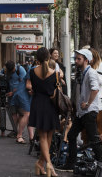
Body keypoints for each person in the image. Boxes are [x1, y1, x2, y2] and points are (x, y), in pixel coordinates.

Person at [58, 49, 102, 171]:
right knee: (72, 135)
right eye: (76, 58)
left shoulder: (91, 73)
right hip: (81, 112)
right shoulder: (83, 73)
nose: (76, 61)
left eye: (79, 59)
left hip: (88, 112)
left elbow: (95, 89)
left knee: (93, 139)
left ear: (86, 60)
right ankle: (70, 164)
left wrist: (88, 104)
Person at [27, 47, 60, 177]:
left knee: (43, 137)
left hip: (37, 104)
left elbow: (32, 88)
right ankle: (49, 164)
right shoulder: (55, 73)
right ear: (48, 57)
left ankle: (41, 163)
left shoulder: (32, 71)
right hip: (50, 105)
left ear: (37, 59)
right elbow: (58, 91)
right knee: (49, 136)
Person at [4, 60, 30, 144]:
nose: (11, 72)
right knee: (13, 115)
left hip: (20, 96)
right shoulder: (5, 70)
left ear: (14, 67)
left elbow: (23, 84)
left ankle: (19, 133)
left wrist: (13, 92)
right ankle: (15, 131)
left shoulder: (20, 70)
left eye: (12, 71)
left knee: (21, 114)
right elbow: (1, 76)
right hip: (10, 97)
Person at [90, 48, 102, 134]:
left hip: (100, 102)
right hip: (89, 102)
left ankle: (101, 145)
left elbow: (101, 81)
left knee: (100, 125)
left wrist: (93, 72)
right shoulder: (86, 67)